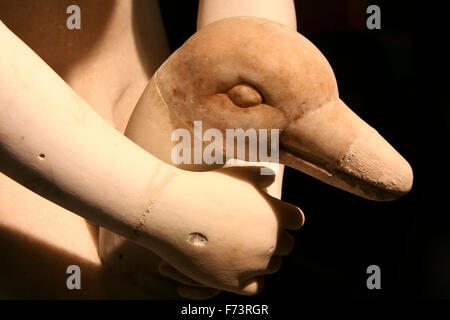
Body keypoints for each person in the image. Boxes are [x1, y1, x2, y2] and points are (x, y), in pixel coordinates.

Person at [0, 0, 302, 299]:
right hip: (21, 160)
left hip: (157, 127)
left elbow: (249, 25)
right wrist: (154, 202)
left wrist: (247, 167)